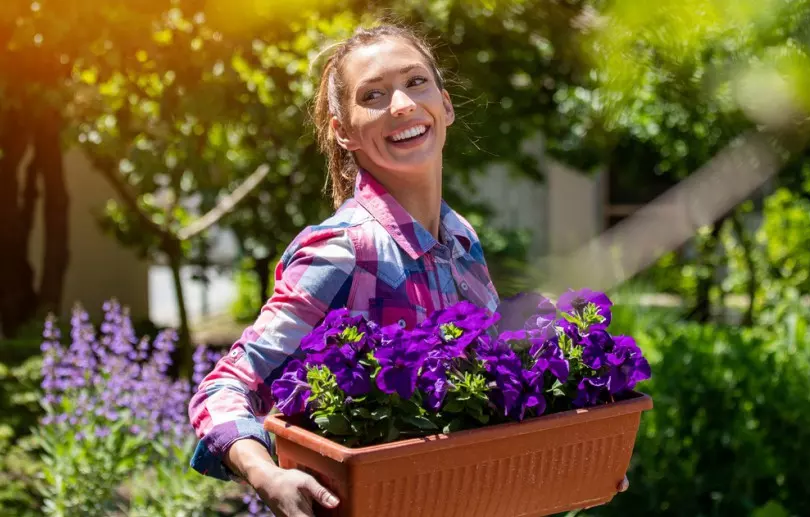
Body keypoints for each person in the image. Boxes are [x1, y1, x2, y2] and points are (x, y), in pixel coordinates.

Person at [188, 24, 627, 517]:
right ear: (343, 131)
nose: (401, 104)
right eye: (372, 95)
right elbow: (224, 388)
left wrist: (578, 448)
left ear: (445, 104)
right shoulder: (342, 250)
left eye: (416, 82)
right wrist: (267, 474)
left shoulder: (460, 239)